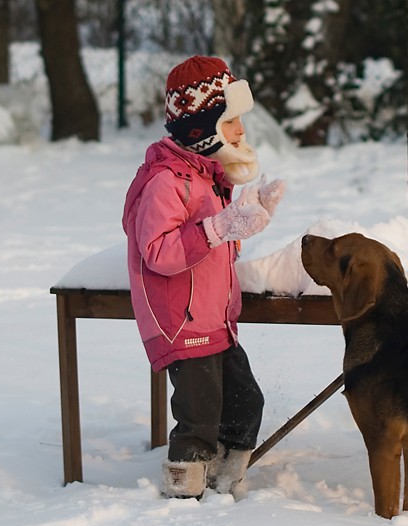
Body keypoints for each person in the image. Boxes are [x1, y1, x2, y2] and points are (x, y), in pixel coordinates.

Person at [122, 55, 285, 500]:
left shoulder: (209, 177)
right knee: (200, 416)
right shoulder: (165, 181)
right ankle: (183, 494)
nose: (241, 132)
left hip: (216, 321)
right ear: (202, 127)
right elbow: (159, 253)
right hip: (182, 322)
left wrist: (249, 220)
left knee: (245, 405)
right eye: (231, 121)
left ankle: (224, 479)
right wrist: (218, 227)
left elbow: (214, 254)